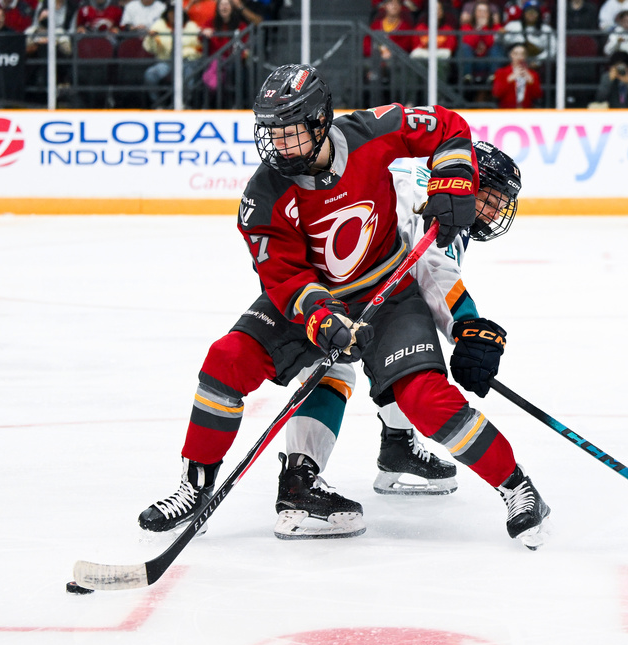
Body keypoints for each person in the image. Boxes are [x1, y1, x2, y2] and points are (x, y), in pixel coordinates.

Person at [137, 63, 551, 550]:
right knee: (226, 360)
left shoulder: (372, 131)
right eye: (272, 135)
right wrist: (322, 319)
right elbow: (284, 277)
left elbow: (446, 128)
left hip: (390, 291)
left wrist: (456, 178)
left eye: (291, 134)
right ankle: (197, 487)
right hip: (315, 298)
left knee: (425, 396)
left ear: (319, 123)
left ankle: (516, 489)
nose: (279, 147)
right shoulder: (263, 196)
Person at [276, 138, 524, 521]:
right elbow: (435, 272)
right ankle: (299, 481)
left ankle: (395, 446)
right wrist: (467, 326)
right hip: (328, 287)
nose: (492, 213)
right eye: (489, 199)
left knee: (399, 353)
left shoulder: (424, 177)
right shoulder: (439, 203)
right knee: (337, 367)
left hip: (326, 275)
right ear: (470, 182)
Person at [142, 1, 203, 106]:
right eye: (171, 12)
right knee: (150, 74)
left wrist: (182, 49)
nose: (173, 15)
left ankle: (185, 104)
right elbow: (149, 47)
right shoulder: (159, 25)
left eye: (176, 12)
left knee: (189, 75)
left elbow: (198, 45)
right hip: (166, 61)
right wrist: (152, 38)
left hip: (186, 61)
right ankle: (158, 104)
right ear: (167, 13)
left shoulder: (191, 25)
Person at [459, 0, 504, 88]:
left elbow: (491, 43)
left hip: (488, 61)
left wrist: (484, 28)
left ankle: (493, 76)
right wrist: (479, 29)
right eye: (479, 11)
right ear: (474, 13)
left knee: (497, 47)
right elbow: (469, 43)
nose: (482, 14)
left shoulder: (496, 27)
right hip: (472, 61)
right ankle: (467, 76)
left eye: (485, 11)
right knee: (464, 48)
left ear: (489, 14)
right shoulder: (466, 27)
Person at [501, 0, 555, 68]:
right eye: (529, 12)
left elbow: (552, 50)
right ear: (523, 13)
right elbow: (502, 42)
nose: (531, 14)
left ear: (539, 14)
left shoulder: (546, 29)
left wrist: (537, 61)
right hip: (513, 61)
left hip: (538, 63)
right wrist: (501, 35)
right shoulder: (513, 26)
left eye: (534, 12)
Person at [492, 42, 544, 108]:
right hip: (506, 111)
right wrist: (509, 79)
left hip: (526, 112)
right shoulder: (501, 72)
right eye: (516, 54)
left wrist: (531, 82)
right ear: (511, 55)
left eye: (522, 54)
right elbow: (496, 93)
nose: (519, 57)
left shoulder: (533, 74)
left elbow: (538, 95)